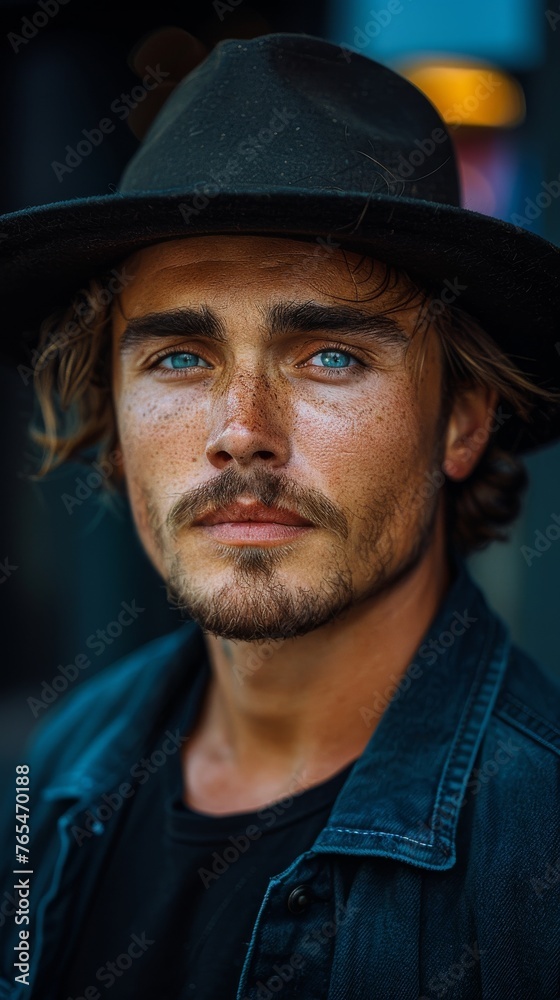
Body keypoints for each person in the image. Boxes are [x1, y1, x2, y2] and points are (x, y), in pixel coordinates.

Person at [1, 29, 560, 1000]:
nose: (241, 432)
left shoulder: (535, 852)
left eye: (329, 356)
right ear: (116, 421)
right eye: (178, 357)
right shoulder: (57, 763)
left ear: (459, 421)